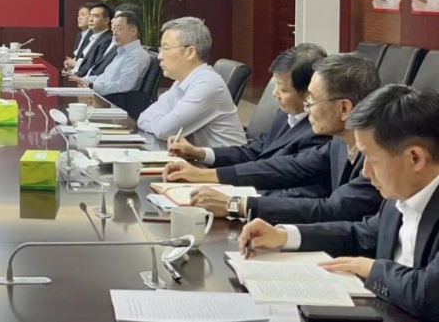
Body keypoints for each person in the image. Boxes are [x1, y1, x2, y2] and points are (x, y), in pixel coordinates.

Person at [238, 86, 439, 319]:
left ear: (415, 158)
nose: (365, 172)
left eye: (372, 160)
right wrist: (283, 236)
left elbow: (427, 294)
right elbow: (361, 235)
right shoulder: (402, 192)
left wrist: (369, 268)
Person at [164, 53, 382, 224]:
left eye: (313, 100)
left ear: (344, 109)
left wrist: (236, 204)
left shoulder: (379, 156)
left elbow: (334, 209)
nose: (307, 108)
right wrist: (206, 174)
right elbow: (288, 167)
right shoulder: (339, 142)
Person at [168, 43, 330, 198]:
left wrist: (234, 198)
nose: (274, 93)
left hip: (266, 205)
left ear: (310, 91)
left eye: (283, 89)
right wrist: (199, 153)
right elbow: (253, 152)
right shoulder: (285, 114)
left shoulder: (321, 131)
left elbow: (297, 190)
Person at [137, 17, 245, 147]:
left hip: (222, 159)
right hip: (192, 157)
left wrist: (160, 121)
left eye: (166, 48)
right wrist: (160, 122)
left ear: (190, 52)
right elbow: (143, 117)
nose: (159, 56)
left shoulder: (206, 84)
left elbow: (164, 131)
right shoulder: (182, 81)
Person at [73, 11, 150, 97]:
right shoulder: (121, 51)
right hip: (102, 94)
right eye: (114, 28)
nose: (114, 33)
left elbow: (124, 85)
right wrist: (83, 80)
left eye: (119, 28)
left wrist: (92, 86)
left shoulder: (136, 55)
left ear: (133, 31)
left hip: (114, 100)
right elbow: (105, 78)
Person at [72, 3, 113, 77]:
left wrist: (75, 75)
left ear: (106, 20)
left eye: (95, 16)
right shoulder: (93, 37)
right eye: (90, 15)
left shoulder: (107, 40)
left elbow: (95, 67)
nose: (90, 19)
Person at [63, 2, 94, 72]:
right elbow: (78, 56)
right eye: (78, 15)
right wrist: (69, 62)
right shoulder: (79, 35)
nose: (79, 18)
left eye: (83, 15)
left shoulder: (93, 35)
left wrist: (74, 63)